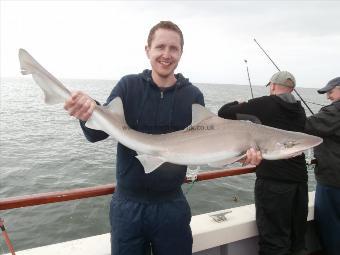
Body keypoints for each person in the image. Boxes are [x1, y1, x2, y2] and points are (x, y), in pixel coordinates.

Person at [64, 20, 262, 255]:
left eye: (173, 48)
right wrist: (88, 112)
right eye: (160, 47)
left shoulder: (192, 96)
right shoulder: (128, 87)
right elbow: (96, 134)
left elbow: (208, 148)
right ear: (148, 50)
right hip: (128, 205)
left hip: (171, 205)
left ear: (181, 53)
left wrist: (239, 155)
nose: (166, 54)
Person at [218, 71, 308, 255]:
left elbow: (224, 113)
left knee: (273, 241)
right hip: (300, 182)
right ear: (292, 89)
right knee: (296, 240)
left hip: (274, 184)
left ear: (272, 85)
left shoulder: (264, 104)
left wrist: (238, 102)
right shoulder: (300, 110)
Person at [305, 77, 340, 255]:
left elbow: (307, 126)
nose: (327, 97)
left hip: (333, 181)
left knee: (330, 225)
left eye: (330, 91)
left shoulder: (335, 110)